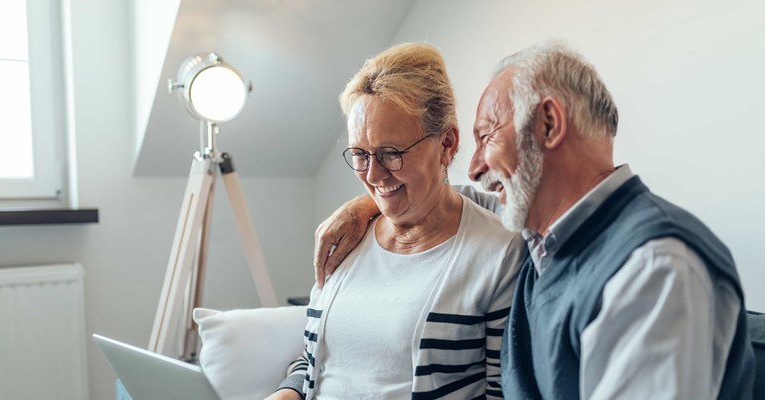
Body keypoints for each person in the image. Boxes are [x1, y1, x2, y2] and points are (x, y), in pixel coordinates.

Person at [312, 41, 755, 399]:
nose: (474, 166)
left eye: (486, 136)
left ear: (547, 124)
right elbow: (444, 204)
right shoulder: (551, 241)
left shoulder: (652, 269)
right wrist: (368, 206)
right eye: (363, 157)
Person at [266, 42, 525, 400]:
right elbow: (319, 360)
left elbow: (503, 393)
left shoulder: (498, 254)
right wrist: (285, 395)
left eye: (391, 153)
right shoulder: (348, 235)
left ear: (447, 142)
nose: (373, 174)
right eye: (360, 154)